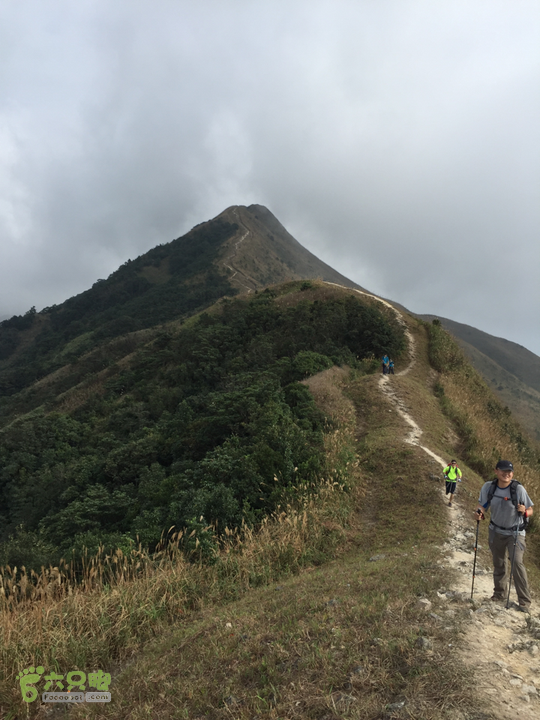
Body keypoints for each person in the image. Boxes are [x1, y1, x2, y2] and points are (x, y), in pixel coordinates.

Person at [475, 459, 534, 612]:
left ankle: (524, 601)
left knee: (516, 563)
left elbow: (530, 510)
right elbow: (483, 505)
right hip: (496, 530)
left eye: (509, 471)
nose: (506, 474)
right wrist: (479, 513)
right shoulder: (489, 487)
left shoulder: (518, 489)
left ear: (512, 473)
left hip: (515, 532)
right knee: (499, 562)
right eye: (503, 470)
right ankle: (499, 593)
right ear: (496, 471)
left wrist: (525, 512)